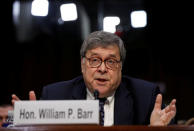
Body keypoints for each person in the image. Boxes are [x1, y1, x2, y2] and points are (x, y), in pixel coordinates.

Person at [12, 31, 176, 126]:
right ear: (83, 65)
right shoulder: (54, 95)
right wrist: (32, 125)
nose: (103, 69)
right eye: (95, 60)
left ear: (121, 67)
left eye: (111, 61)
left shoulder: (145, 97)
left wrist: (153, 130)